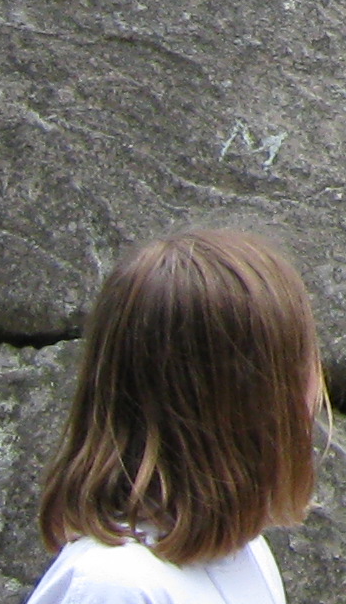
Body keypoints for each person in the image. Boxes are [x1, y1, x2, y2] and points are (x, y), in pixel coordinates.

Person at [28, 230, 324, 604]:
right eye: (300, 363)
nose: (316, 389)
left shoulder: (247, 556)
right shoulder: (118, 586)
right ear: (250, 401)